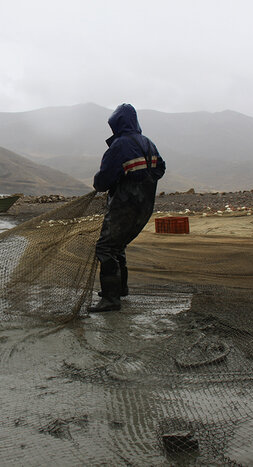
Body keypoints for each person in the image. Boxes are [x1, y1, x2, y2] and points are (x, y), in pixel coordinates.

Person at [88, 103, 166, 312]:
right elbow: (161, 168)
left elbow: (103, 181)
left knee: (105, 248)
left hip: (124, 208)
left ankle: (111, 299)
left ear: (117, 124)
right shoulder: (148, 143)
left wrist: (117, 183)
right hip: (145, 207)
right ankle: (120, 289)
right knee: (118, 246)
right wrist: (143, 182)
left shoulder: (120, 145)